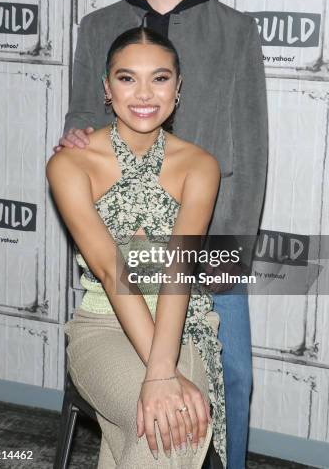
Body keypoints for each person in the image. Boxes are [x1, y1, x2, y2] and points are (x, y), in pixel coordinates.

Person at [56, 0, 268, 469]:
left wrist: (221, 258)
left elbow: (248, 153)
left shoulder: (236, 30)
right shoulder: (99, 26)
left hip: (204, 251)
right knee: (142, 394)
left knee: (232, 383)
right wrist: (74, 140)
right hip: (122, 248)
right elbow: (79, 119)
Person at [47, 26, 226, 467]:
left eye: (160, 78)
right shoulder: (70, 163)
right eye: (127, 78)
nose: (144, 93)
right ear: (107, 89)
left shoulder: (200, 166)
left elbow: (180, 272)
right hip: (102, 330)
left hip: (180, 328)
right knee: (168, 429)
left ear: (178, 87)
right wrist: (162, 375)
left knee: (166, 427)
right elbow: (111, 271)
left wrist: (164, 368)